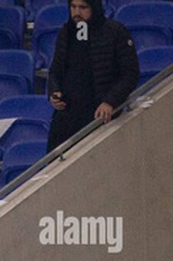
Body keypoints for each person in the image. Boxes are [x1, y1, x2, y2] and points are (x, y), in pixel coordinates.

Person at [46, 0, 140, 151]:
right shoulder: (66, 32)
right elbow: (55, 71)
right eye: (73, 7)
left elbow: (130, 74)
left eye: (83, 7)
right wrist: (54, 91)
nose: (77, 12)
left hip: (100, 115)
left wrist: (110, 101)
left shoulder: (115, 32)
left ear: (94, 8)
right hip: (67, 116)